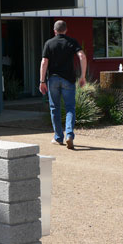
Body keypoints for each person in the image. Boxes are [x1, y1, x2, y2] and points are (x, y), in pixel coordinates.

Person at [39, 20, 87, 149]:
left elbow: (44, 62)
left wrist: (42, 81)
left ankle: (58, 137)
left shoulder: (49, 43)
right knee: (70, 108)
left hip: (53, 79)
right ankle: (69, 135)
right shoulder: (72, 42)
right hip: (68, 80)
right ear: (66, 30)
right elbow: (82, 56)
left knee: (55, 108)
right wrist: (82, 76)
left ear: (54, 31)